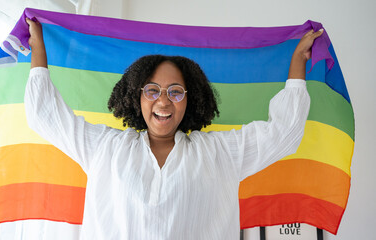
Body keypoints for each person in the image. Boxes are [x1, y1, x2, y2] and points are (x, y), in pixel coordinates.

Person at [25, 17, 322, 240]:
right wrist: (38, 48)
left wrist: (296, 63)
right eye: (152, 90)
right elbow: (45, 116)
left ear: (189, 100)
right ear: (136, 97)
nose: (163, 101)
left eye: (176, 91)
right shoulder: (106, 148)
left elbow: (284, 133)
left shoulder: (220, 153)